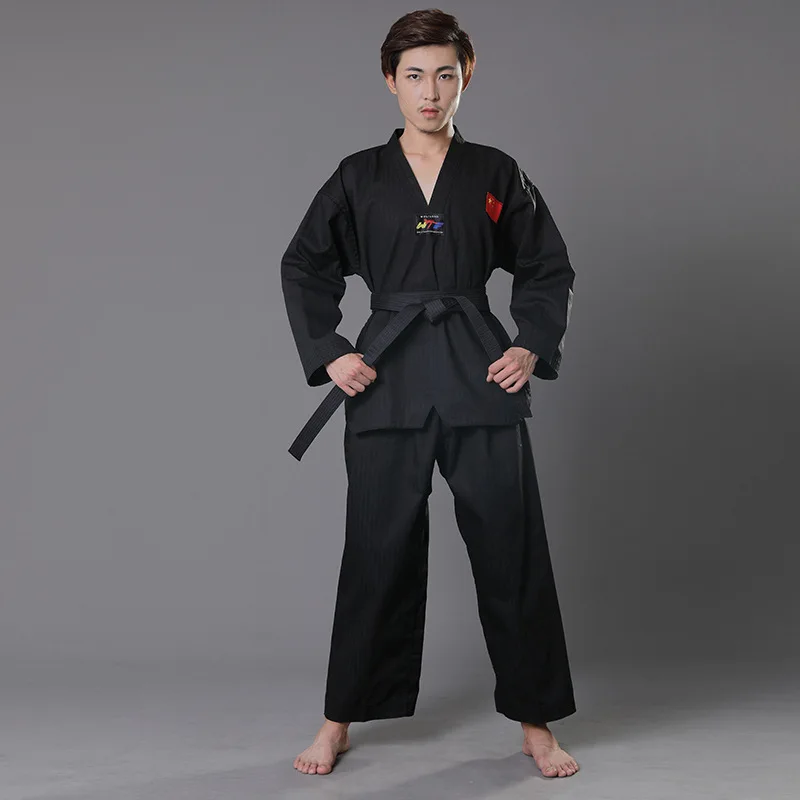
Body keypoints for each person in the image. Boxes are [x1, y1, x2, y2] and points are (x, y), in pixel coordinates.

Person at [281, 8, 579, 780]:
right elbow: (304, 264)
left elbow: (546, 265)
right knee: (376, 550)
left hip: (479, 370)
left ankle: (537, 723)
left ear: (465, 78)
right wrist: (331, 351)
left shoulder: (495, 172)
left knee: (511, 547)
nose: (430, 91)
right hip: (387, 374)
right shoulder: (358, 176)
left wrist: (529, 342)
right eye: (415, 75)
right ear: (390, 81)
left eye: (445, 75)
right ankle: (339, 718)